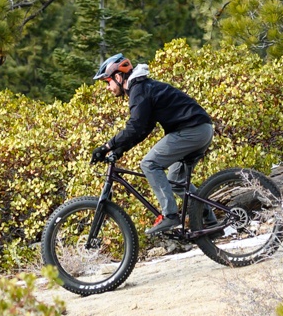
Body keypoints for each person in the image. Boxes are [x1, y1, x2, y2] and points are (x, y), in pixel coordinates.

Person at [90, 53, 215, 239]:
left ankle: (170, 215)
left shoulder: (138, 90)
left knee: (149, 164)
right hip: (201, 129)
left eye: (107, 82)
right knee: (175, 181)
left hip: (191, 130)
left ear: (118, 77)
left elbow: (135, 126)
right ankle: (211, 222)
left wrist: (106, 146)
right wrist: (119, 150)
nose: (108, 88)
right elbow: (143, 128)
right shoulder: (142, 87)